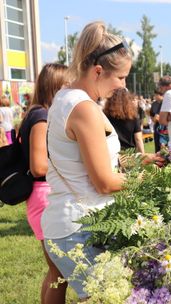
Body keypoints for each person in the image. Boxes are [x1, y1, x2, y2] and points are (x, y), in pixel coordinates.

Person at [42, 21, 160, 301]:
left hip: (72, 222)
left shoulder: (68, 97)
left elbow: (90, 161)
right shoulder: (82, 108)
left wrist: (136, 161)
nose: (123, 86)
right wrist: (146, 179)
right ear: (98, 71)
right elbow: (104, 182)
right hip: (78, 227)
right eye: (121, 78)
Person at [19, 63, 69, 304]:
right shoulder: (41, 117)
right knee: (60, 273)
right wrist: (73, 167)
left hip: (42, 195)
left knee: (55, 272)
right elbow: (39, 166)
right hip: (44, 196)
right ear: (56, 87)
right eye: (67, 84)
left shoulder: (36, 113)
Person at [103, 88, 144, 153]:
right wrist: (142, 155)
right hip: (130, 154)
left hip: (112, 153)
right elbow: (138, 139)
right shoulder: (133, 116)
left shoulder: (105, 115)